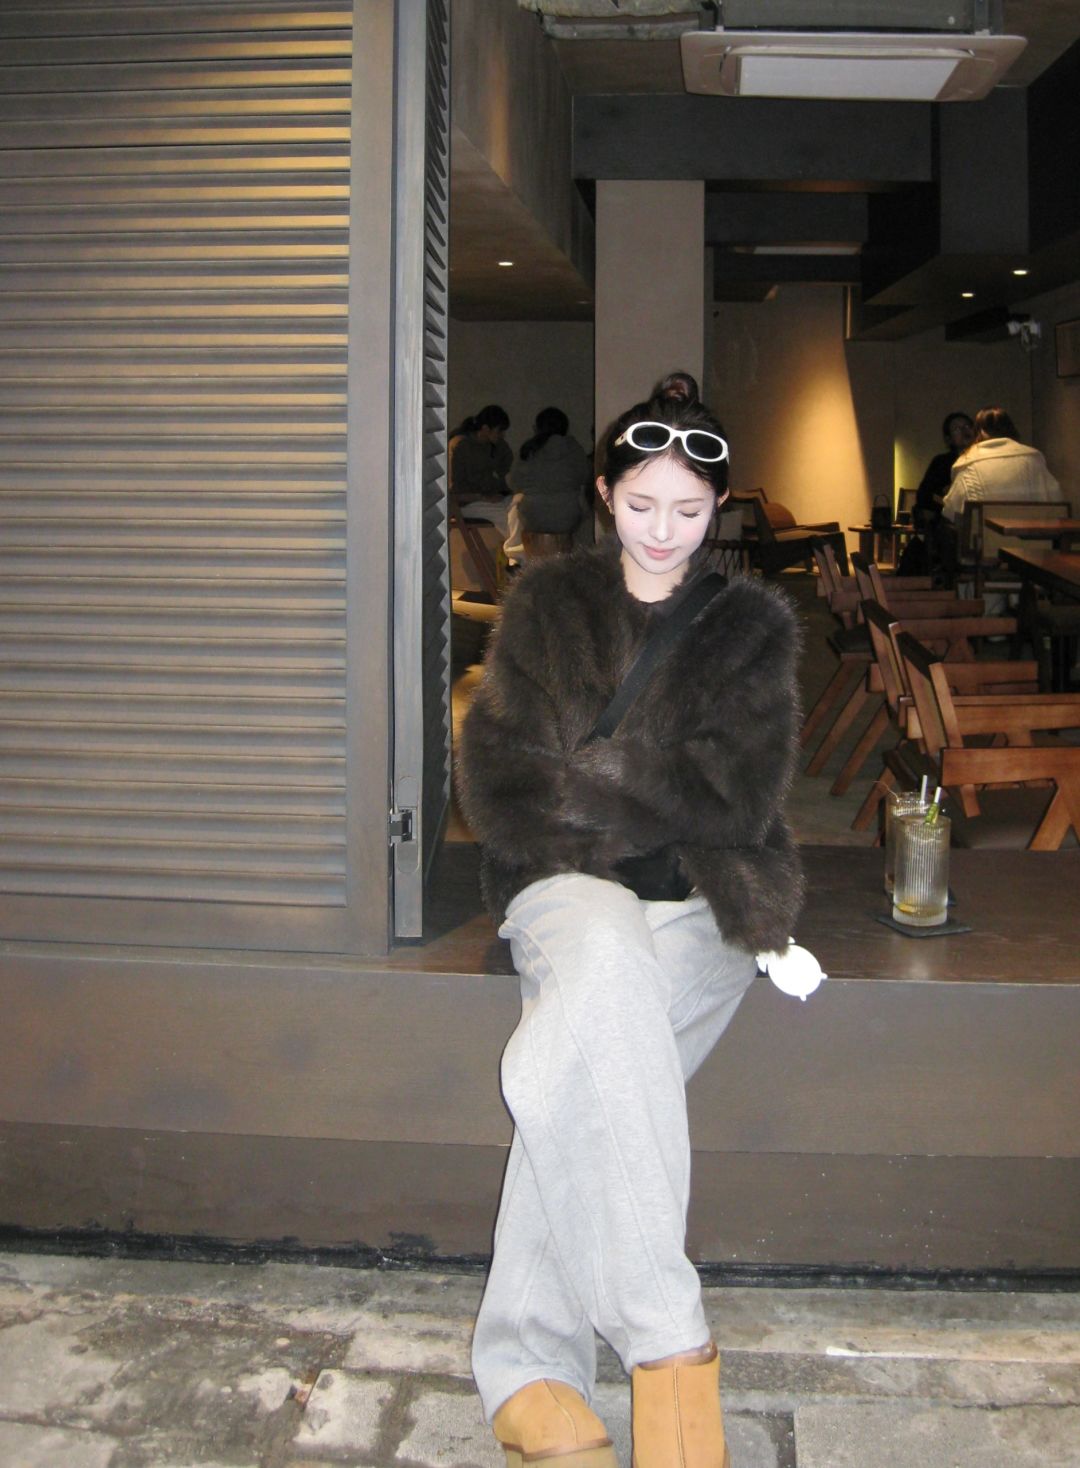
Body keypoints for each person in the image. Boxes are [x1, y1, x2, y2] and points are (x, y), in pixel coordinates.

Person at [457, 373, 805, 1468]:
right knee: (604, 956)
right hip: (561, 878)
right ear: (605, 494)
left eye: (689, 510)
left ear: (719, 507)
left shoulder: (749, 627)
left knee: (571, 1062)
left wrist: (596, 772)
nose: (663, 531)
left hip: (708, 897)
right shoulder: (550, 604)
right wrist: (648, 787)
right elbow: (501, 777)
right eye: (643, 503)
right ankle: (670, 1346)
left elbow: (737, 797)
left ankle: (528, 1365)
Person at [941, 406, 1061, 522]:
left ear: (979, 432)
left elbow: (951, 511)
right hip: (1033, 534)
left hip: (986, 535)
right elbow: (1056, 501)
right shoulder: (1033, 458)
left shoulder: (967, 463)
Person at [513, 406, 588, 538]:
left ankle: (516, 549)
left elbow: (514, 480)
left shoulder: (530, 448)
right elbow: (585, 476)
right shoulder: (574, 448)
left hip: (533, 517)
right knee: (582, 500)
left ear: (537, 428)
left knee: (516, 500)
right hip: (568, 516)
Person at [450, 404, 514, 534]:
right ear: (485, 428)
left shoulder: (496, 446)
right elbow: (457, 488)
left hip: (491, 497)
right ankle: (519, 545)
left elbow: (504, 467)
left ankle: (522, 544)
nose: (502, 435)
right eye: (499, 431)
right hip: (467, 503)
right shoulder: (461, 446)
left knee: (519, 510)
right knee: (506, 518)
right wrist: (483, 497)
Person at [913, 411, 974, 528]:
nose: (964, 431)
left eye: (967, 426)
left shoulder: (983, 459)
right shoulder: (941, 462)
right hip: (947, 521)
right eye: (957, 429)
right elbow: (924, 496)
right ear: (948, 438)